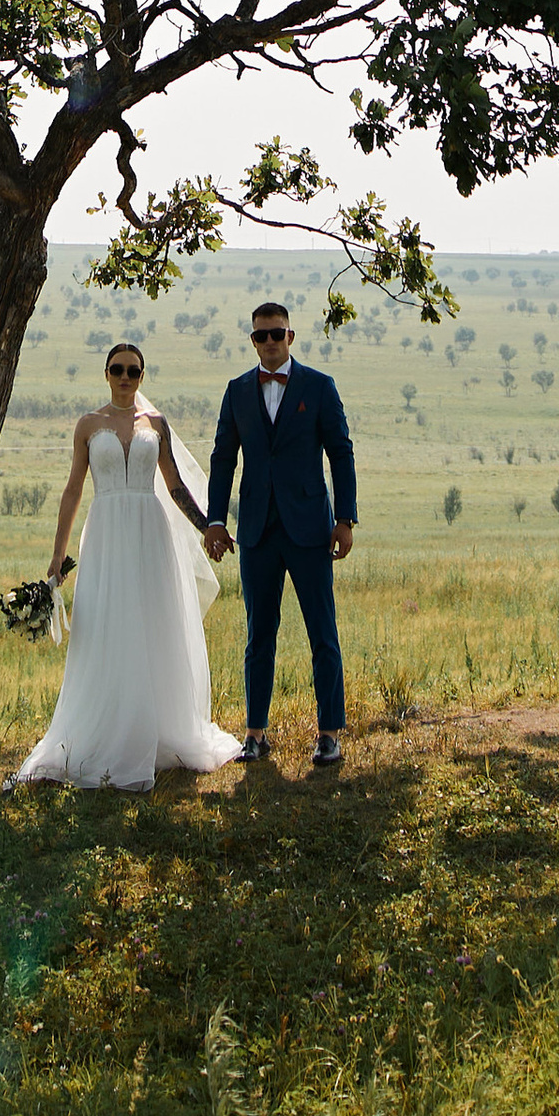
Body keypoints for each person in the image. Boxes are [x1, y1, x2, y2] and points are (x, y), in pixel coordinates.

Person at [6, 340, 243, 789]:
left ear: (142, 376)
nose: (124, 378)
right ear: (106, 373)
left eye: (133, 371)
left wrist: (208, 526)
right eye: (117, 369)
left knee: (154, 623)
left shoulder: (156, 424)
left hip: (150, 531)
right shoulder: (88, 425)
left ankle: (158, 730)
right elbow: (74, 489)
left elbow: (173, 486)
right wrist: (57, 555)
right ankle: (109, 730)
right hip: (107, 532)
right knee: (109, 625)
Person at [203, 297, 357, 767]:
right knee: (258, 635)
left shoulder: (320, 385)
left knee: (322, 632)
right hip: (256, 530)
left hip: (310, 527)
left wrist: (345, 519)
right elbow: (223, 457)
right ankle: (255, 733)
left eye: (276, 333)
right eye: (259, 335)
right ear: (252, 341)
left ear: (290, 336)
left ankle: (329, 733)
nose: (268, 342)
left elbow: (341, 452)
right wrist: (214, 520)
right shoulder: (236, 391)